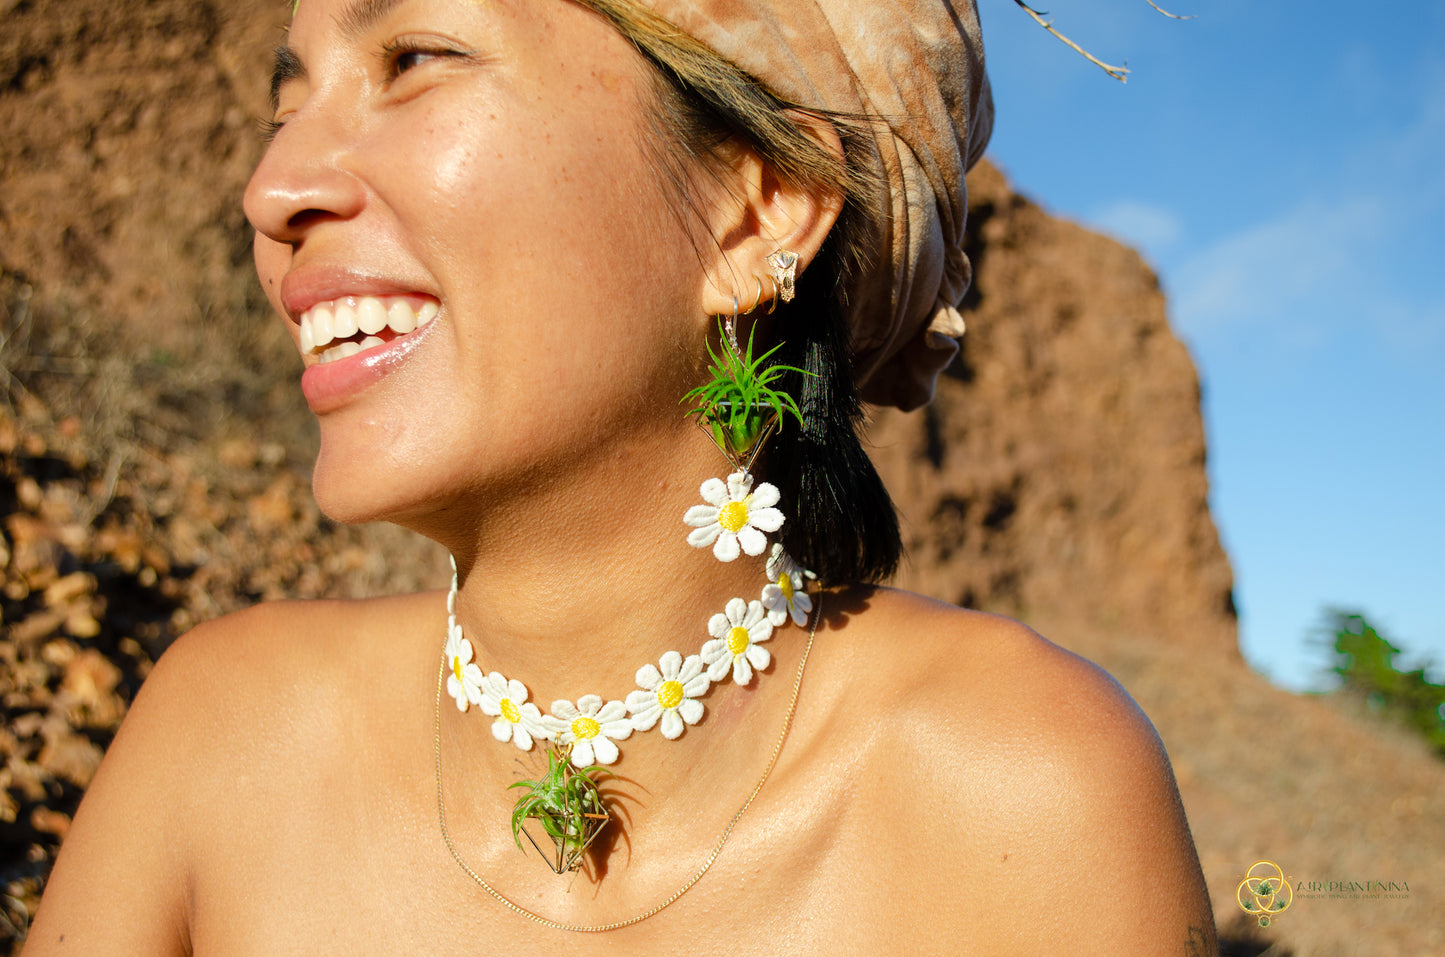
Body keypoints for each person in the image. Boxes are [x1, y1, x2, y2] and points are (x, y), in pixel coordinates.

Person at [25, 0, 1217, 952]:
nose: (272, 189)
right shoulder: (221, 739)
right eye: (285, 105)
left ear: (754, 214)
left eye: (415, 58)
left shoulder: (1018, 794)